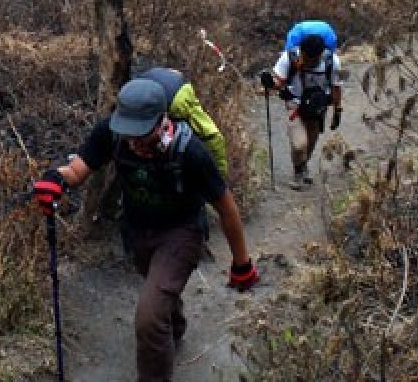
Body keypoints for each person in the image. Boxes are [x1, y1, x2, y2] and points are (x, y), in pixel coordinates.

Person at [32, 78, 258, 382]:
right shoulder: (111, 133)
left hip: (181, 232)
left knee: (149, 319)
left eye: (142, 134)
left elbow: (225, 206)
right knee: (159, 298)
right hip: (137, 232)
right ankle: (174, 327)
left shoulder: (191, 152)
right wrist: (55, 180)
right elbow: (77, 170)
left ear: (161, 121)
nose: (134, 142)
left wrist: (241, 262)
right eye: (129, 133)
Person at [261, 20, 343, 189]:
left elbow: (336, 87)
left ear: (321, 54)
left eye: (312, 60)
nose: (307, 62)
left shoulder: (332, 62)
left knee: (311, 142)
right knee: (300, 144)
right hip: (295, 104)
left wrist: (337, 111)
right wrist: (269, 84)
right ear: (301, 51)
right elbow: (279, 82)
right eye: (305, 58)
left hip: (317, 107)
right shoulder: (288, 58)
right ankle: (298, 173)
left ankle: (302, 167)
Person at [133, 66, 229, 180]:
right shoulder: (181, 104)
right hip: (173, 96)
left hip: (142, 84)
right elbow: (212, 137)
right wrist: (220, 176)